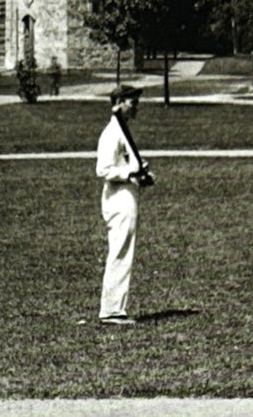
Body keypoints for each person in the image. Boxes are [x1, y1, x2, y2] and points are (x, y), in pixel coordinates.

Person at [96, 82, 153, 326]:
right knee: (119, 251)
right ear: (119, 104)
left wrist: (139, 172)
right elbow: (103, 169)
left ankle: (115, 308)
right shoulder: (112, 132)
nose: (136, 107)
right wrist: (129, 174)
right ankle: (111, 310)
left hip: (126, 195)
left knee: (123, 251)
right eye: (132, 102)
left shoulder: (121, 130)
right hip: (118, 198)